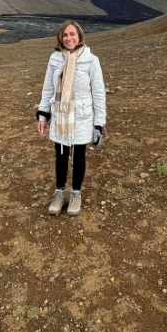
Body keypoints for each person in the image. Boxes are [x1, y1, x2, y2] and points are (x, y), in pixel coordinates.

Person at [36, 20, 106, 216]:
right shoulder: (54, 59)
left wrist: (99, 123)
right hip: (60, 115)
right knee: (60, 156)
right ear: (60, 38)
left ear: (80, 36)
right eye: (65, 35)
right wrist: (43, 114)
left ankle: (75, 194)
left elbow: (99, 93)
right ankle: (59, 192)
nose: (68, 38)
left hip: (82, 117)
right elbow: (48, 88)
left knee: (79, 156)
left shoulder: (92, 60)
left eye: (72, 34)